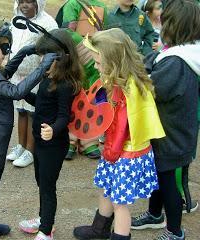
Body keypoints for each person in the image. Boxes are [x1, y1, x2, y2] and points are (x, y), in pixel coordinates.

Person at [0, 15, 57, 240]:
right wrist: (43, 67)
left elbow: (7, 74)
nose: (7, 53)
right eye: (5, 49)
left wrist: (24, 52)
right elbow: (16, 92)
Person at [73, 28, 165, 240]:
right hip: (116, 150)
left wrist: (111, 152)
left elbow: (123, 126)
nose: (95, 67)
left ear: (113, 61)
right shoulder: (122, 80)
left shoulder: (127, 88)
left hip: (125, 154)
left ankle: (120, 236)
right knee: (107, 189)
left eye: (98, 62)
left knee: (120, 204)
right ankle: (100, 229)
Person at [131, 0, 200, 239]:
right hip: (175, 130)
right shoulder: (181, 52)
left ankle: (174, 231)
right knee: (160, 173)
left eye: (166, 19)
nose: (161, 22)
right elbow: (154, 61)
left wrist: (139, 78)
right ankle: (154, 214)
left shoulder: (178, 60)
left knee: (167, 180)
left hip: (172, 133)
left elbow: (155, 89)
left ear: (175, 25)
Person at [18, 28, 83, 240]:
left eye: (46, 57)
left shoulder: (65, 84)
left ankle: (46, 231)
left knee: (47, 186)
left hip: (54, 144)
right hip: (41, 141)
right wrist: (22, 92)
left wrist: (53, 129)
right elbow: (42, 104)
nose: (42, 61)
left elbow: (64, 116)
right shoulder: (49, 76)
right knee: (41, 180)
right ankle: (43, 218)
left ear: (62, 57)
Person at [6, 0, 57, 168]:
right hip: (18, 75)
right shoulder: (16, 20)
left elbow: (53, 48)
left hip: (36, 76)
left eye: (29, 1)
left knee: (32, 112)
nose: (24, 5)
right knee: (20, 110)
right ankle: (20, 145)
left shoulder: (47, 23)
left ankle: (30, 149)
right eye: (21, 1)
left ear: (39, 3)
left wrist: (46, 72)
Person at [55, 0, 108, 160]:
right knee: (73, 99)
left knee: (94, 100)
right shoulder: (73, 4)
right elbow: (68, 31)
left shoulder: (103, 6)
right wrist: (84, 48)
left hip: (95, 61)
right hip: (76, 59)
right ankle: (70, 140)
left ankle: (89, 140)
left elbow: (106, 32)